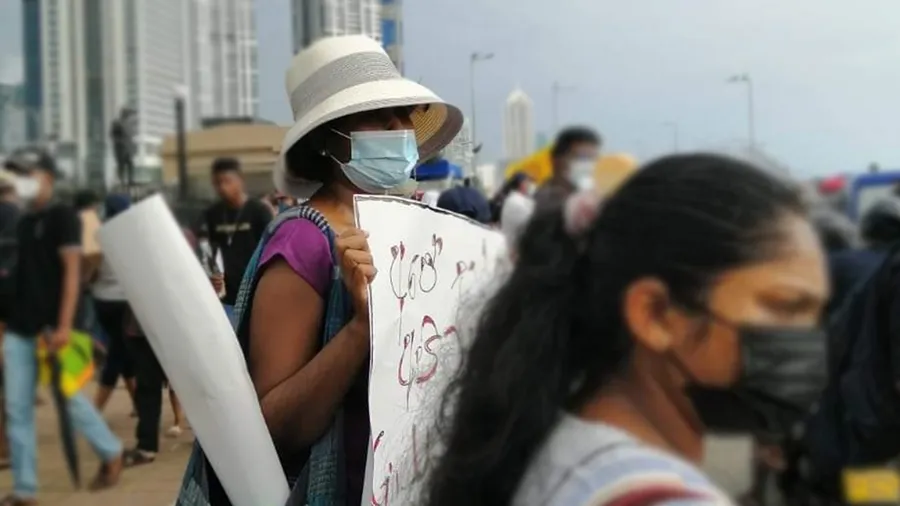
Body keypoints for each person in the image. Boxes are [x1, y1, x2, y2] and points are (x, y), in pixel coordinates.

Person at [423, 154, 828, 506]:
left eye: (815, 314)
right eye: (785, 307)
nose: (809, 339)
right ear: (654, 314)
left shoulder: (559, 442)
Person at [177, 34, 462, 506]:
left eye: (405, 118)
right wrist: (360, 328)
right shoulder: (304, 241)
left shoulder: (408, 234)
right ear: (332, 139)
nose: (401, 128)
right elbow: (274, 429)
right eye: (381, 118)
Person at [2, 148, 123, 505]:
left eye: (27, 174)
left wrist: (65, 324)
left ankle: (111, 451)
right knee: (17, 409)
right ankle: (25, 489)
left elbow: (71, 273)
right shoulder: (22, 223)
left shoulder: (63, 217)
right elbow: (18, 277)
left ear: (47, 177)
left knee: (70, 399)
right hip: (21, 330)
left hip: (57, 329)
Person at [200, 157, 272, 322]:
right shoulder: (213, 213)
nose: (223, 187)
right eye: (217, 183)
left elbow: (269, 249)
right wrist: (212, 274)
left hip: (254, 293)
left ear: (240, 180)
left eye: (227, 181)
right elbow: (210, 250)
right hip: (226, 296)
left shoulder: (258, 211)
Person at [91, 194, 138, 415]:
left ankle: (139, 404)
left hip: (103, 302)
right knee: (118, 353)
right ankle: (95, 409)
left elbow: (91, 268)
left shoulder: (98, 235)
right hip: (126, 302)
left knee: (122, 350)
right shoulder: (134, 235)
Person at [533, 126, 601, 210]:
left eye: (593, 159)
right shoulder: (543, 200)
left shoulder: (593, 197)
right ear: (556, 161)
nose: (589, 165)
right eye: (581, 158)